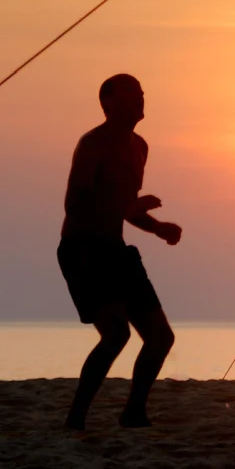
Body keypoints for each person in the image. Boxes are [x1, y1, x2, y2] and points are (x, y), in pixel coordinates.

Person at [57, 74, 182, 430]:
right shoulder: (93, 143)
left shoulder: (140, 146)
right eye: (130, 94)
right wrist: (129, 207)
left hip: (116, 249)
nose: (139, 99)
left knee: (160, 337)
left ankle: (133, 412)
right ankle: (75, 420)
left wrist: (158, 228)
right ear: (108, 103)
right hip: (83, 249)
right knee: (116, 335)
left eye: (141, 93)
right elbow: (77, 205)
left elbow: (126, 208)